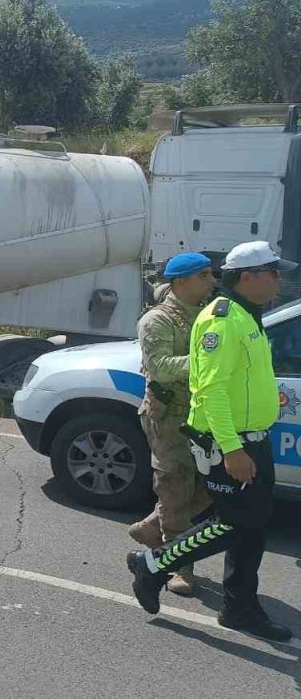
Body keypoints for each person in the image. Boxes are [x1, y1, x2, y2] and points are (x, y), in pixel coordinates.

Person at [126, 240, 296, 642]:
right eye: (272, 272)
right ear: (249, 277)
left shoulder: (247, 315)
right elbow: (212, 390)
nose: (278, 280)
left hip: (253, 437)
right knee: (231, 523)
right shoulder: (221, 320)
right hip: (231, 440)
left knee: (252, 527)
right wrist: (233, 448)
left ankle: (239, 607)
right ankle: (152, 566)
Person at [126, 252, 216, 596]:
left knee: (208, 488)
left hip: (204, 413)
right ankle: (179, 565)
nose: (212, 281)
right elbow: (160, 366)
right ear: (182, 281)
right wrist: (210, 361)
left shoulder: (210, 313)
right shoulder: (158, 320)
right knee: (175, 489)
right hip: (170, 417)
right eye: (204, 275)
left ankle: (151, 527)